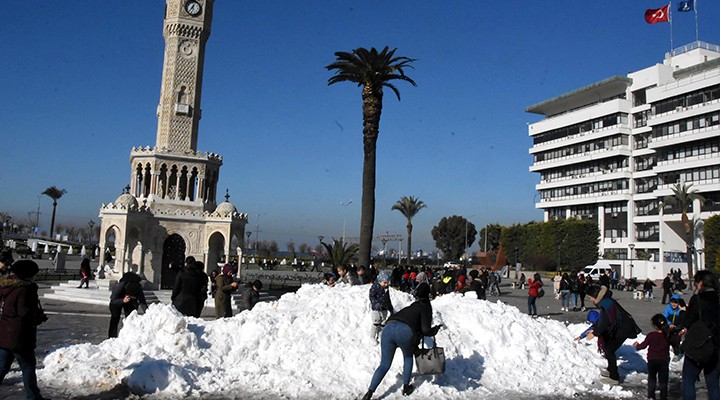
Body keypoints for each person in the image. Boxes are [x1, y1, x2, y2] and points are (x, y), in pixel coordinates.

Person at [360, 284, 441, 400]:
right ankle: (406, 387)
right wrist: (435, 330)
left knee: (384, 364)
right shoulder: (425, 308)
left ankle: (369, 393)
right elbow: (426, 330)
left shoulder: (412, 306)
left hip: (388, 328)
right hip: (405, 332)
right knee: (408, 358)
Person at [0, 260, 46, 400]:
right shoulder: (25, 290)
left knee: (2, 367)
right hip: (20, 335)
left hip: (4, 333)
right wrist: (38, 317)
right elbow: (24, 312)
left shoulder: (6, 286)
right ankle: (33, 397)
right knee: (28, 367)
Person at [585, 284, 641, 384]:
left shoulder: (605, 304)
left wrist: (595, 333)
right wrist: (594, 329)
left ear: (595, 296)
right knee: (608, 347)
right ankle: (611, 370)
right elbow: (602, 320)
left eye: (590, 297)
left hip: (623, 329)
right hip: (620, 327)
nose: (589, 299)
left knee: (609, 349)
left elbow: (604, 322)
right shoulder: (606, 301)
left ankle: (614, 377)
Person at [680, 270, 720, 400]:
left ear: (701, 283)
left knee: (688, 380)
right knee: (713, 384)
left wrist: (684, 312)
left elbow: (689, 321)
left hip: (698, 345)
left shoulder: (697, 299)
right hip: (716, 346)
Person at [633, 314, 671, 400]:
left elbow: (643, 346)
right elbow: (675, 342)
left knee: (652, 379)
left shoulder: (651, 335)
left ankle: (651, 396)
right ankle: (663, 397)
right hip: (663, 361)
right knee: (663, 382)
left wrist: (637, 345)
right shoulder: (667, 335)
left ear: (655, 326)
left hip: (652, 360)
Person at [108, 272, 147, 338]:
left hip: (130, 301)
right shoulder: (121, 286)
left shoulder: (138, 287)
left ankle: (129, 335)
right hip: (118, 300)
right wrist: (122, 300)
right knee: (115, 318)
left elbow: (142, 301)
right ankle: (112, 337)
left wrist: (147, 312)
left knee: (131, 317)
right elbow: (113, 300)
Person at [369, 271, 394, 341]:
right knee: (376, 323)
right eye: (384, 282)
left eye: (387, 282)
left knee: (383, 323)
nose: (386, 284)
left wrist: (390, 308)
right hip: (376, 309)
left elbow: (387, 298)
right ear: (380, 281)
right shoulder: (375, 287)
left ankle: (380, 335)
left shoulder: (386, 288)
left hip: (384, 308)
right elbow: (371, 296)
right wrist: (375, 303)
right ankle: (372, 337)